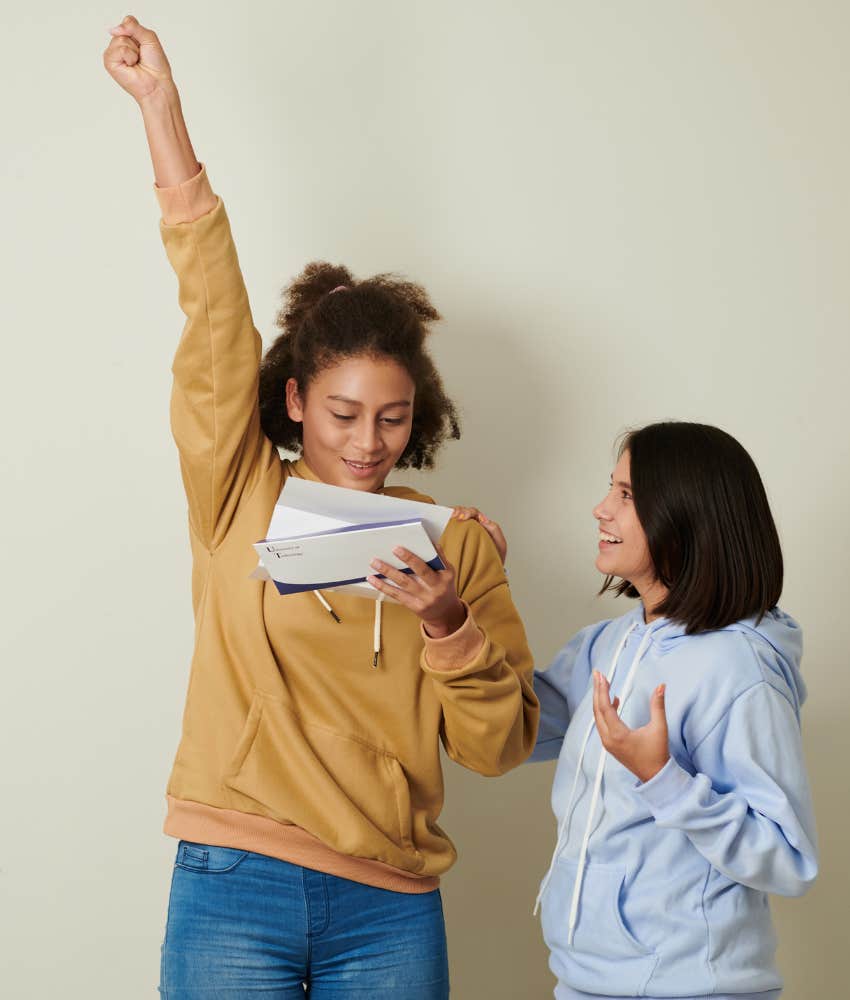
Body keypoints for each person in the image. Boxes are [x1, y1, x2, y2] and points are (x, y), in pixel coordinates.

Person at [103, 16, 538, 999]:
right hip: (231, 882)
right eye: (343, 412)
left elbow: (501, 743)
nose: (366, 440)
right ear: (295, 399)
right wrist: (161, 111)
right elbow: (214, 315)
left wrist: (448, 624)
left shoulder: (456, 548)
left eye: (392, 417)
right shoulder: (237, 492)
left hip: (387, 902)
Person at [526, 422, 818, 999]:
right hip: (585, 979)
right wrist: (465, 604)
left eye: (626, 495)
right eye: (610, 488)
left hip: (691, 988)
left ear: (686, 515)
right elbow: (518, 729)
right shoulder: (608, 643)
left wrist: (665, 780)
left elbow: (787, 859)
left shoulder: (739, 668)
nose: (600, 509)